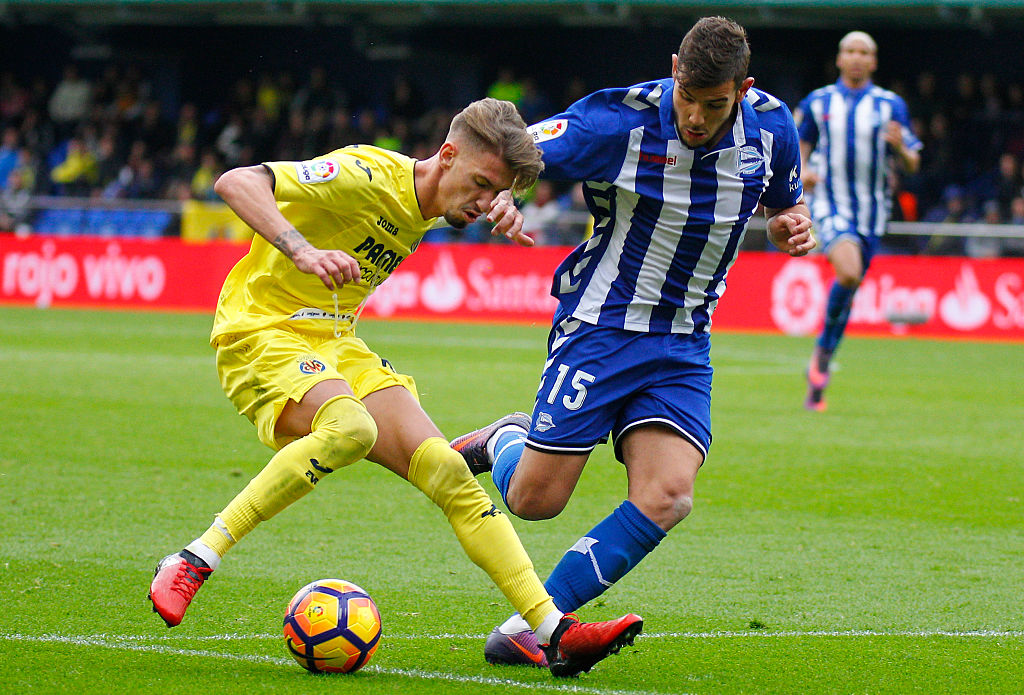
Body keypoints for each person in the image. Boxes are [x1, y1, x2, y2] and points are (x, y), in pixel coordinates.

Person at [147, 97, 641, 678]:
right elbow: (236, 182)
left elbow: (496, 167)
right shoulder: (364, 174)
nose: (482, 201)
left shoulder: (444, 196)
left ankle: (554, 632)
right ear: (446, 154)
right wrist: (301, 249)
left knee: (450, 475)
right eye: (480, 184)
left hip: (333, 339)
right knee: (351, 428)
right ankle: (194, 559)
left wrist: (502, 200)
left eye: (494, 191)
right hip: (261, 329)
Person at [449, 17, 814, 667]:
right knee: (535, 499)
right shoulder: (618, 123)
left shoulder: (773, 127)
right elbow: (514, 147)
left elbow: (785, 200)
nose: (697, 118)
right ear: (674, 68)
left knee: (669, 494)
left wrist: (790, 221)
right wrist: (504, 190)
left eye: (715, 104)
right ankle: (506, 438)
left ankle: (532, 624)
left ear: (744, 89)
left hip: (682, 346)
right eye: (687, 97)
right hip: (601, 328)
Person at [795, 31, 922, 411]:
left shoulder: (890, 105)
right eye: (850, 50)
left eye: (863, 52)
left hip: (872, 212)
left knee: (848, 290)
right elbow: (799, 152)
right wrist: (802, 175)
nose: (855, 57)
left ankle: (820, 366)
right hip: (831, 205)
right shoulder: (818, 102)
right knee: (849, 274)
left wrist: (900, 146)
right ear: (839, 59)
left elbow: (913, 162)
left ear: (873, 62)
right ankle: (822, 355)